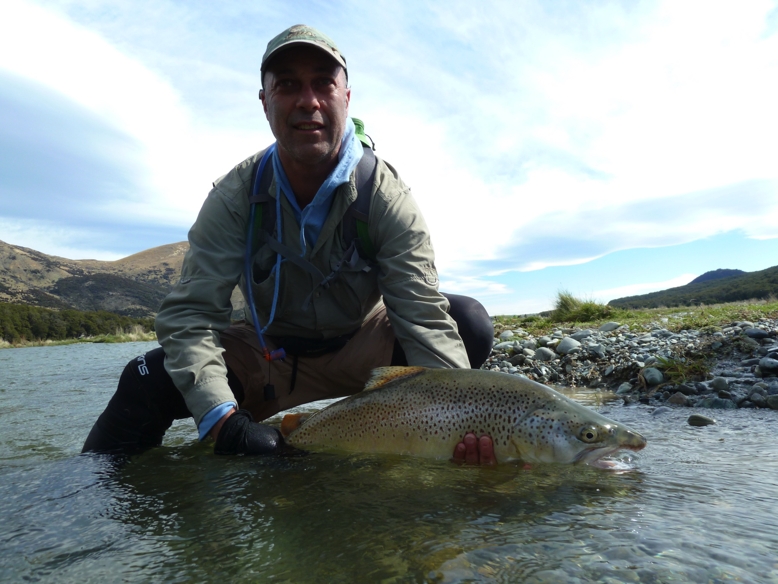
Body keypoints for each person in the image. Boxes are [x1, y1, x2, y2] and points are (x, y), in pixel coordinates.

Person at [82, 24, 496, 464]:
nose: (308, 100)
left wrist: (464, 422)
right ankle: (86, 506)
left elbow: (423, 321)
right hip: (267, 353)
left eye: (323, 82)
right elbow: (189, 318)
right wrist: (225, 425)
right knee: (143, 380)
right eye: (287, 85)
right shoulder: (234, 198)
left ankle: (385, 430)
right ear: (265, 103)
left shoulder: (386, 198)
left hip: (364, 349)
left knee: (468, 322)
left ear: (346, 97)